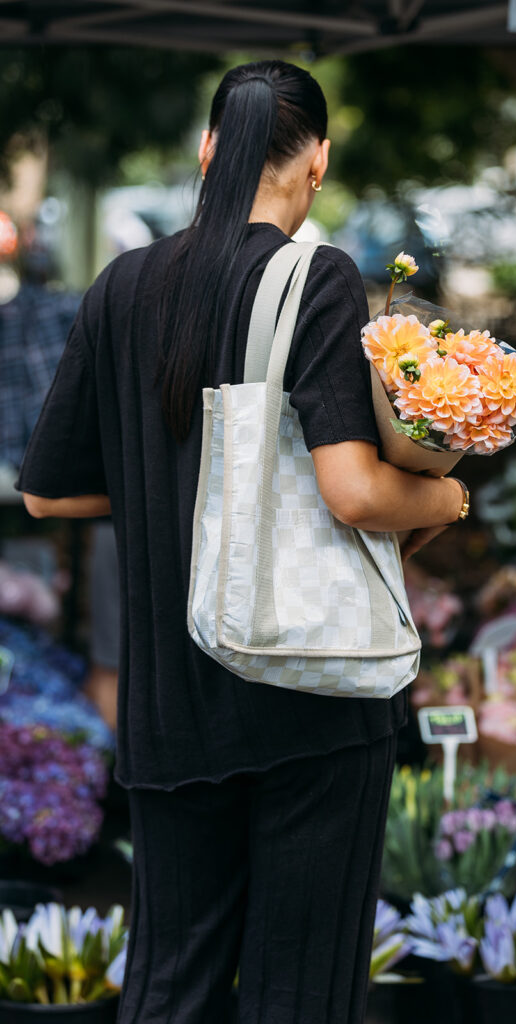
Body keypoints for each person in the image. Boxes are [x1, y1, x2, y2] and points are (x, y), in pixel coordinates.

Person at [17, 60, 467, 1024]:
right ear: (318, 162)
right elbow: (351, 491)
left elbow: (49, 496)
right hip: (311, 694)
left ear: (207, 151)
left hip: (170, 703)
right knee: (297, 993)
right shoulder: (318, 279)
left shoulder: (122, 284)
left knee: (167, 988)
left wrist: (161, 484)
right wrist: (447, 495)